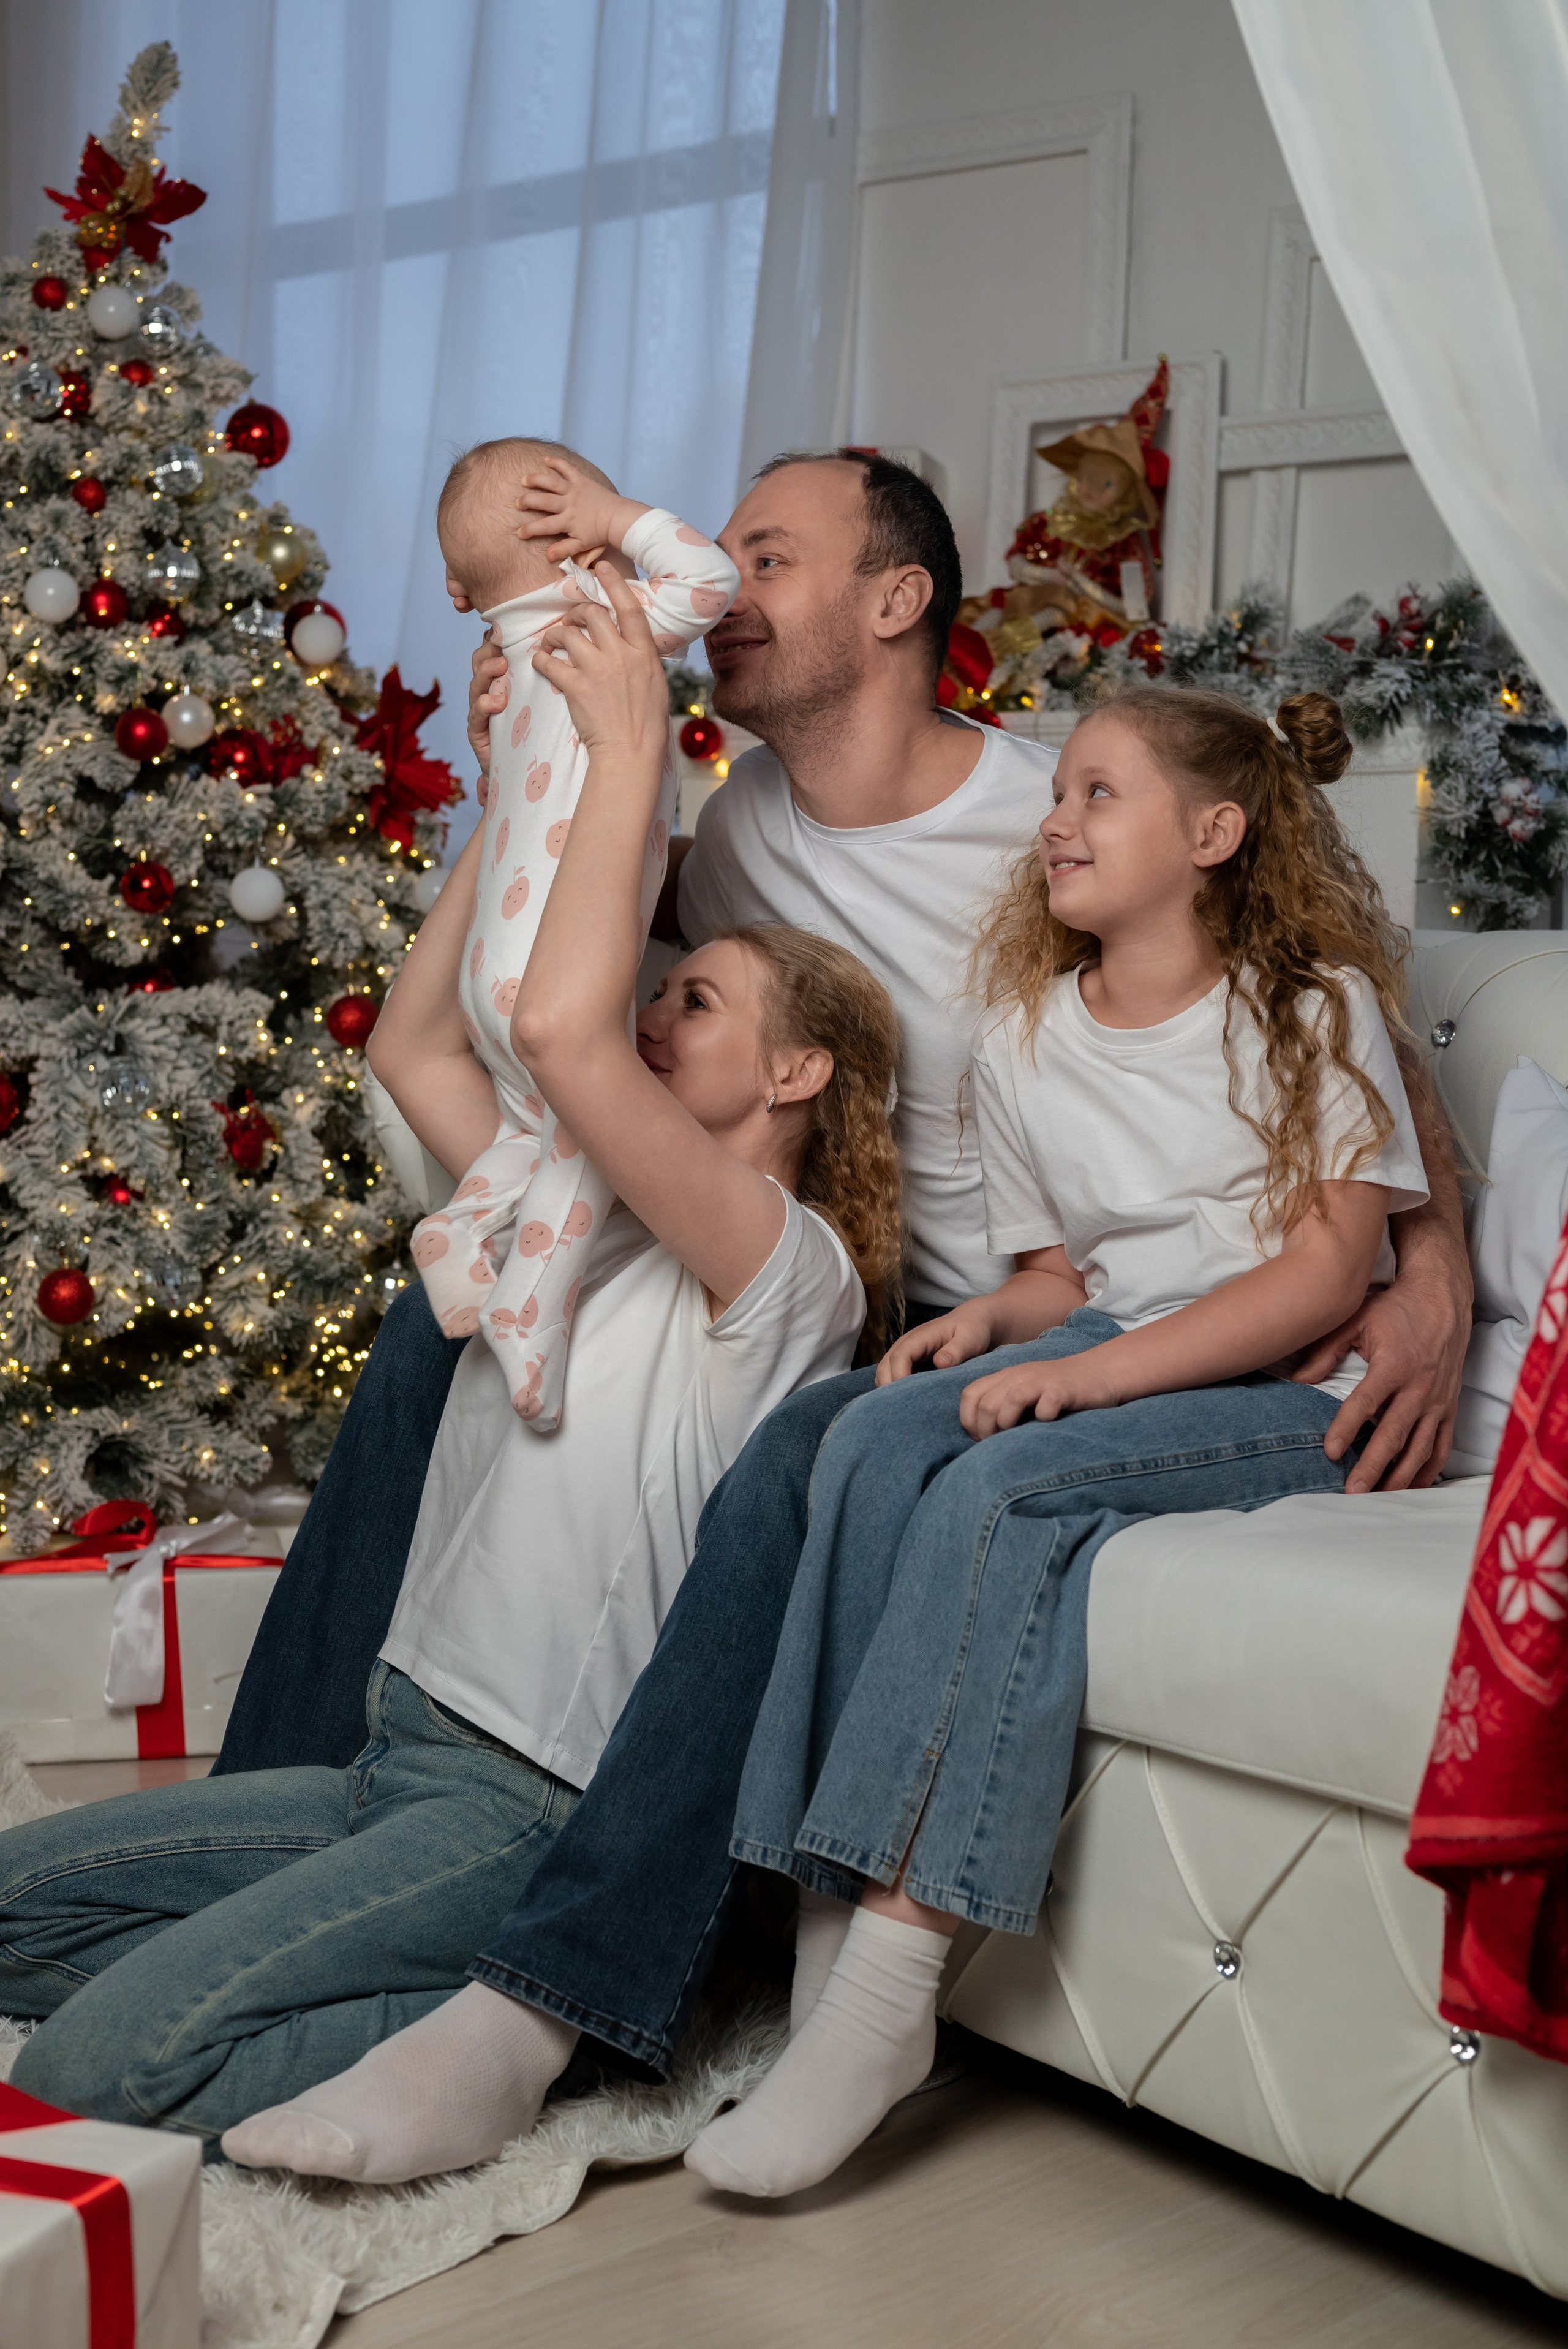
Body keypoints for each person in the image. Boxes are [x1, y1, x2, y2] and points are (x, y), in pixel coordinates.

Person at [209, 454, 1472, 2184]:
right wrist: (535, 751)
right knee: (441, 1317)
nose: (721, 580)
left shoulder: (1054, 817)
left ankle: (563, 1994)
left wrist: (1434, 1278)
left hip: (1010, 1300)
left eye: (768, 557)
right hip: (842, 1251)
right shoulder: (736, 831)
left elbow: (1341, 1018)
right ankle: (269, 1820)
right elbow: (561, 992)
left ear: (894, 606)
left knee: (823, 1447)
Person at [0, 563, 891, 2172]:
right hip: (389, 1747)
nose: (654, 1015)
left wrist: (627, 746)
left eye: (697, 1000)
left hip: (520, 1804)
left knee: (93, 2060)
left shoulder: (783, 1271)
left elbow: (556, 1031)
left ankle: (542, 2032)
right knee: (13, 1915)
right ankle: (364, 1979)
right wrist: (507, 792)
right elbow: (409, 1050)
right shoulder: (554, 1210)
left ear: (797, 1068)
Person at [684, 683, 1430, 2199]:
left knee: (1006, 1492)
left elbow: (1319, 1274)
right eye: (1059, 794)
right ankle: (814, 1939)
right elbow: (1060, 1280)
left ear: (1213, 835)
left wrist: (1086, 1386)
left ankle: (886, 1996)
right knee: (871, 1444)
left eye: (1099, 794)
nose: (1057, 820)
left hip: (1284, 1383)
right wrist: (996, 1330)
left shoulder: (1311, 1013)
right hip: (1122, 1341)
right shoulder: (1025, 1034)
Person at [417, 439, 737, 1429]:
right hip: (550, 962)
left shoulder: (512, 663)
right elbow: (710, 578)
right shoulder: (603, 628)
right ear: (567, 537)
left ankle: (459, 1228)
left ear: (461, 588)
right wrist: (620, 516)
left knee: (530, 1128)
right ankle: (531, 1307)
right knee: (589, 1135)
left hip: (489, 965)